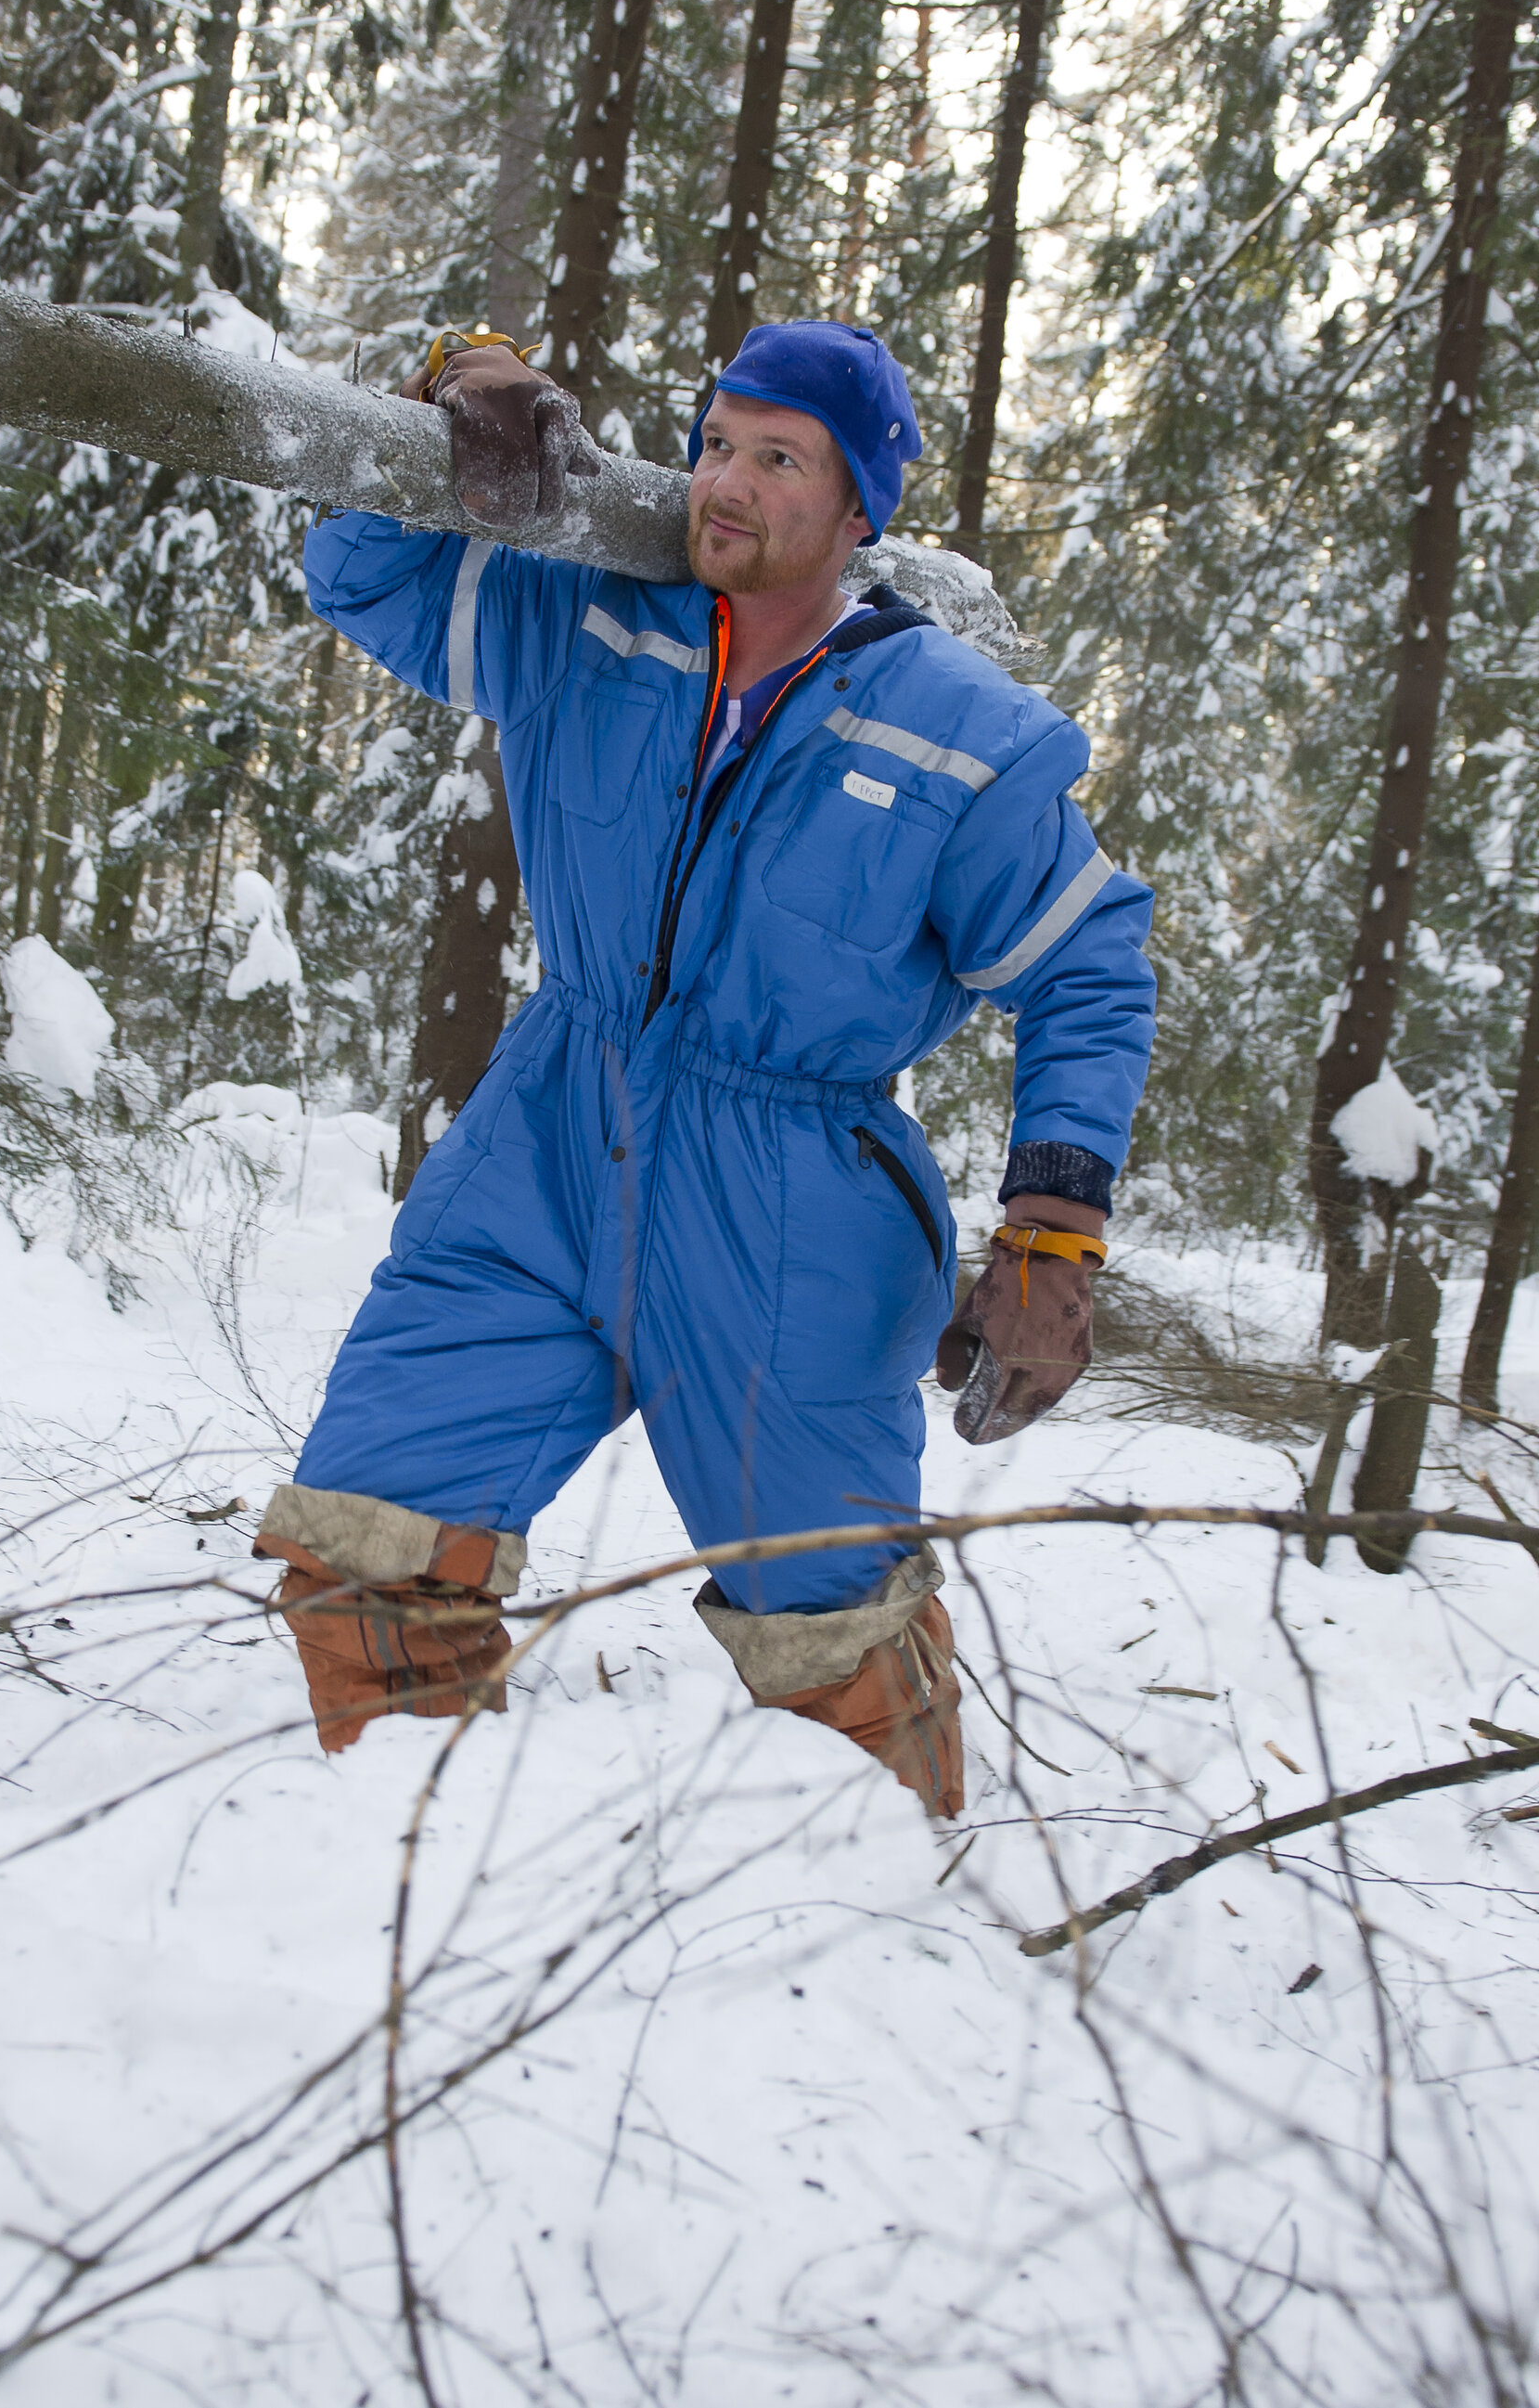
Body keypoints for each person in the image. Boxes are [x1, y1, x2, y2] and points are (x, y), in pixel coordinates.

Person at [252, 320, 1155, 1820]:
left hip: (789, 1216)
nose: (724, 482)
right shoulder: (595, 615)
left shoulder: (959, 732)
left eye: (777, 457)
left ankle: (903, 1909)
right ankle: (391, 1888)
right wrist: (445, 396)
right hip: (545, 1146)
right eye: (716, 441)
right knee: (366, 1543)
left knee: (833, 1646)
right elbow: (360, 572)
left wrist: (1053, 1235)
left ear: (859, 506)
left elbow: (1088, 967)